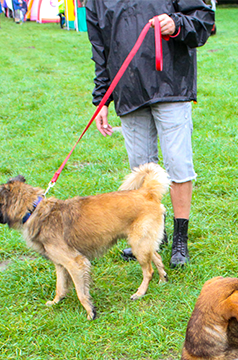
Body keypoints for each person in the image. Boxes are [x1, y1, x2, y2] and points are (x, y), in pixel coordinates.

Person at [86, 0, 215, 268]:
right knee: (141, 171)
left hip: (171, 84)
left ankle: (180, 239)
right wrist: (102, 99)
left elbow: (203, 20)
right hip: (128, 90)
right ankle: (152, 232)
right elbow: (101, 50)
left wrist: (177, 24)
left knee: (179, 164)